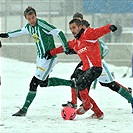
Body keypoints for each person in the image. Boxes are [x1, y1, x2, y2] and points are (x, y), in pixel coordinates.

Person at [0, 6, 70, 116]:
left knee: (34, 83)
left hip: (49, 59)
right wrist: (6, 35)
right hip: (40, 59)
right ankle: (71, 83)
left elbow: (59, 32)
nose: (31, 20)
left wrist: (66, 47)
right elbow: (20, 31)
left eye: (33, 17)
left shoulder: (42, 25)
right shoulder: (29, 27)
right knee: (43, 83)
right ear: (26, 18)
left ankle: (24, 110)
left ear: (36, 16)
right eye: (29, 18)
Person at [44, 18, 117, 118]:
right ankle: (98, 113)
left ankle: (86, 106)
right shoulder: (75, 42)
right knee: (79, 91)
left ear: (80, 26)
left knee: (80, 84)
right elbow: (64, 47)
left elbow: (99, 31)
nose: (72, 30)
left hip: (95, 68)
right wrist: (51, 53)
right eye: (70, 29)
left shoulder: (88, 34)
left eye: (74, 27)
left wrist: (109, 27)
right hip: (86, 69)